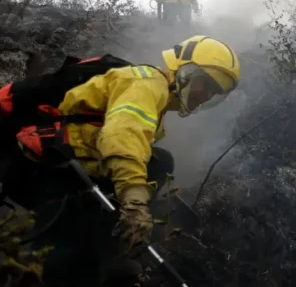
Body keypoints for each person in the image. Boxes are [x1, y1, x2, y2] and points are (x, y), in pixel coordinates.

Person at [0, 35, 240, 286]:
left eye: (214, 92)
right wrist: (134, 200)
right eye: (206, 84)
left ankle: (102, 252)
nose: (205, 95)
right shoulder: (146, 84)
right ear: (187, 71)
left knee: (156, 163)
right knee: (62, 257)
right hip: (40, 166)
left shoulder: (155, 95)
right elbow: (123, 138)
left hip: (62, 167)